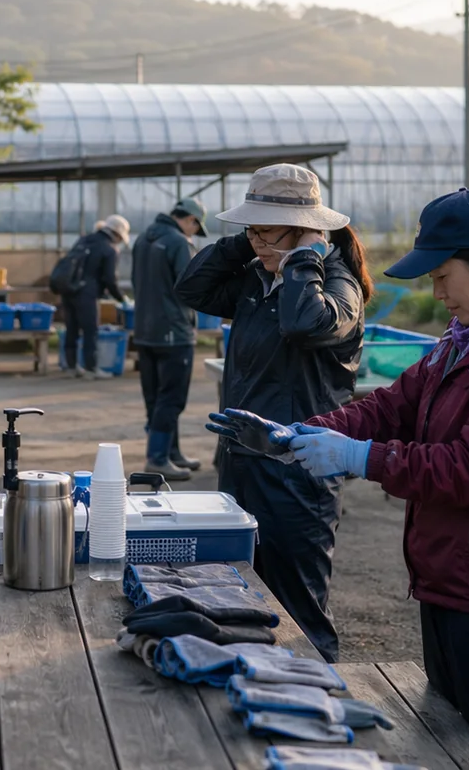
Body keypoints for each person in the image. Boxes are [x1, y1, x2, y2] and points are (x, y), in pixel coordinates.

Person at [218, 188, 469, 770]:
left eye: (444, 275)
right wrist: (299, 433)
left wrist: (359, 458)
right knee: (454, 747)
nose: (438, 292)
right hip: (453, 579)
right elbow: (390, 406)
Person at [175, 164, 368, 662]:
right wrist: (248, 246)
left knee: (299, 608)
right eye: (251, 228)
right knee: (243, 591)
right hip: (242, 459)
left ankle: (319, 706)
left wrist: (303, 258)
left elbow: (306, 323)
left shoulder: (337, 284)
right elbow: (190, 289)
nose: (257, 240)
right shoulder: (254, 281)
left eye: (267, 229)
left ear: (308, 229)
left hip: (296, 469)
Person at [131, 197, 209, 480]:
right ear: (191, 220)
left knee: (155, 397)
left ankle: (171, 452)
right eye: (195, 228)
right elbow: (189, 287)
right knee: (172, 398)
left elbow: (136, 283)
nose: (193, 234)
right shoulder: (179, 243)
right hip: (174, 332)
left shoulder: (142, 240)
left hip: (145, 331)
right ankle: (158, 458)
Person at [61, 214, 130, 379]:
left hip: (68, 290)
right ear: (118, 234)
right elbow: (109, 279)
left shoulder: (84, 240)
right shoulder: (109, 248)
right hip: (87, 294)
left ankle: (71, 367)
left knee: (71, 329)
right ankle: (91, 369)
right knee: (90, 331)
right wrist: (121, 298)